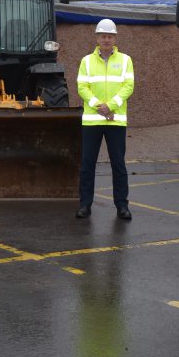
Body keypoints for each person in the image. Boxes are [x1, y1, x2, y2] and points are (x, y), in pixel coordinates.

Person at [75, 19, 135, 220]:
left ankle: (122, 206)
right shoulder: (86, 61)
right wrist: (99, 107)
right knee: (87, 164)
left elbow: (128, 86)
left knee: (118, 164)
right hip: (92, 121)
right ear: (97, 37)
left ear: (115, 37)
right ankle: (85, 205)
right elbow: (82, 87)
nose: (106, 39)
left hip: (115, 120)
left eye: (110, 36)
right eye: (103, 35)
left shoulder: (126, 60)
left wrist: (111, 106)